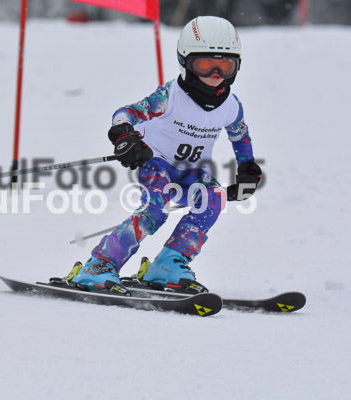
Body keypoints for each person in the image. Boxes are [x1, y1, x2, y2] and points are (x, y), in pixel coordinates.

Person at [67, 16, 262, 293]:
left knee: (213, 197)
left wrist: (247, 169)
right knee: (155, 211)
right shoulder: (170, 96)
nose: (216, 73)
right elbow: (126, 114)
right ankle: (98, 265)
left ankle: (169, 263)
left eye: (226, 65)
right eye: (206, 63)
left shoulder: (231, 106)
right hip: (158, 165)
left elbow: (240, 135)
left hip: (194, 172)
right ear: (186, 61)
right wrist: (125, 136)